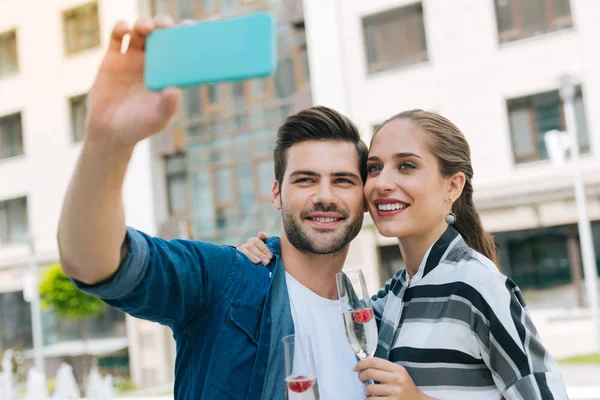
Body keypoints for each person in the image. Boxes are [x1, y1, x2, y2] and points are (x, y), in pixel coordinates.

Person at [56, 15, 373, 399]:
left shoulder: (375, 320)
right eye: (305, 179)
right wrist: (107, 142)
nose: (324, 195)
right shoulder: (226, 280)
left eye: (343, 180)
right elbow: (96, 264)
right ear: (276, 193)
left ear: (365, 197)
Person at [239, 110, 569, 399]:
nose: (383, 183)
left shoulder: (478, 286)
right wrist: (267, 252)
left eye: (406, 166)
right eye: (375, 168)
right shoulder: (394, 295)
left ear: (452, 186)